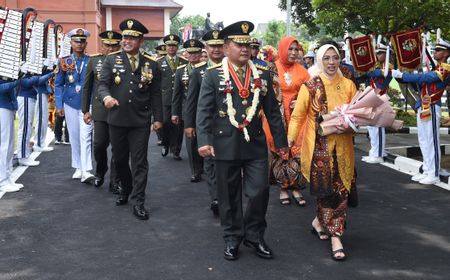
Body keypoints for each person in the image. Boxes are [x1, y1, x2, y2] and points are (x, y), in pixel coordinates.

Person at [196, 21, 288, 261]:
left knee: (259, 191)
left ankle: (255, 235)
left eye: (248, 44)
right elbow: (204, 111)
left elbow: (273, 112)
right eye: (239, 44)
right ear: (226, 48)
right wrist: (204, 140)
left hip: (255, 144)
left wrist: (281, 142)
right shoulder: (212, 76)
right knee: (228, 195)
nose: (245, 49)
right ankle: (232, 237)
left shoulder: (263, 74)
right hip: (224, 144)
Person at [288, 44, 357, 261]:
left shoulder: (348, 85)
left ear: (340, 59)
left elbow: (357, 112)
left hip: (344, 148)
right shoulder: (310, 86)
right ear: (319, 60)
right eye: (326, 58)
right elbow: (298, 116)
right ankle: (331, 230)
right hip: (319, 148)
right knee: (326, 192)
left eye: (335, 57)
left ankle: (333, 231)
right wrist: (290, 140)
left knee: (341, 190)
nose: (331, 62)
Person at [98, 18, 163, 220]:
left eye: (132, 38)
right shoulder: (111, 60)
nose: (126, 41)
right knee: (119, 159)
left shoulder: (151, 64)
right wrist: (106, 97)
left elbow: (156, 94)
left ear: (141, 41)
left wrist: (158, 118)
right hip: (117, 119)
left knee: (140, 161)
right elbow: (102, 84)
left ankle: (138, 201)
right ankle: (126, 189)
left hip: (140, 121)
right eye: (125, 37)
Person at [392, 38, 450, 185]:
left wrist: (404, 76)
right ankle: (428, 169)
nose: (435, 52)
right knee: (424, 141)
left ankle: (434, 173)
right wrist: (404, 77)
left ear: (446, 53)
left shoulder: (446, 68)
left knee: (432, 141)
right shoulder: (435, 69)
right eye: (435, 50)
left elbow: (425, 77)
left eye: (438, 50)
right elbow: (419, 81)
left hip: (433, 106)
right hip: (423, 106)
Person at [264, 36, 310, 206]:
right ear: (282, 49)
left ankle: (296, 187)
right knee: (280, 151)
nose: (293, 52)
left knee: (297, 153)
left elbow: (311, 91)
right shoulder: (271, 69)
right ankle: (283, 188)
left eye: (296, 49)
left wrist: (301, 100)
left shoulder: (303, 71)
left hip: (298, 117)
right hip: (276, 116)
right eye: (290, 49)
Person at [184, 29, 224, 216]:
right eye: (212, 46)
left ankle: (227, 196)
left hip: (228, 124)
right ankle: (216, 197)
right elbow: (191, 102)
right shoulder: (199, 71)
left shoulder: (231, 68)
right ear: (205, 49)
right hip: (207, 125)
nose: (216, 50)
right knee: (210, 162)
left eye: (219, 45)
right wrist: (189, 125)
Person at [81, 30, 122, 193]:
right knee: (99, 145)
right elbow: (87, 87)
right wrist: (85, 110)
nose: (110, 49)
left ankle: (115, 181)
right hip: (100, 110)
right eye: (107, 45)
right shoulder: (94, 61)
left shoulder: (124, 61)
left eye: (114, 46)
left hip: (119, 110)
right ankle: (100, 171)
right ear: (102, 45)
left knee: (118, 148)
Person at [55, 28, 95, 183]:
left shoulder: (91, 61)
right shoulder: (64, 61)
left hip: (87, 104)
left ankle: (86, 170)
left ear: (86, 43)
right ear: (71, 43)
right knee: (74, 136)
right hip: (70, 102)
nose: (79, 44)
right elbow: (58, 85)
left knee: (86, 136)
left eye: (82, 41)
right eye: (76, 41)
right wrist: (59, 105)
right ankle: (78, 166)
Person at [171, 39, 205, 182]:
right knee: (191, 142)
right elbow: (176, 94)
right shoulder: (181, 71)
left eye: (196, 53)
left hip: (204, 110)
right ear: (186, 54)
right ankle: (195, 170)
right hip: (188, 111)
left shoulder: (207, 69)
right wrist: (175, 112)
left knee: (204, 140)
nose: (193, 56)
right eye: (190, 53)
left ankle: (206, 166)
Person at [158, 34, 187, 160]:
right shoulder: (159, 63)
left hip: (180, 99)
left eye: (174, 45)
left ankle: (176, 150)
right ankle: (165, 143)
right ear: (165, 47)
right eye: (169, 45)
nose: (171, 48)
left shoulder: (184, 62)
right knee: (165, 123)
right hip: (165, 98)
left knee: (178, 125)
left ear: (177, 47)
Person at [362, 43, 393, 164]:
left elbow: (375, 74)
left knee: (378, 127)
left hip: (380, 98)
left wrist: (368, 71)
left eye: (380, 53)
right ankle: (374, 151)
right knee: (372, 127)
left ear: (386, 54)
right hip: (373, 97)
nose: (377, 55)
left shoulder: (387, 67)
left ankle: (378, 154)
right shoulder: (377, 67)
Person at [17, 70, 54, 166]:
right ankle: (23, 156)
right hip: (25, 96)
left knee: (27, 127)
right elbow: (26, 82)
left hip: (30, 96)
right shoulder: (23, 67)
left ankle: (25, 155)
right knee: (25, 127)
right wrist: (38, 76)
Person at [0, 79, 24, 193]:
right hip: (1, 105)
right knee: (3, 145)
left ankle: (7, 177)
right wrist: (18, 80)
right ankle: (2, 180)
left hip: (8, 105)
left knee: (9, 145)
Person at [33, 67, 56, 152]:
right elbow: (38, 79)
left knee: (44, 119)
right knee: (41, 118)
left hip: (44, 91)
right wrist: (51, 73)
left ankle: (41, 142)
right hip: (40, 91)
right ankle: (38, 143)